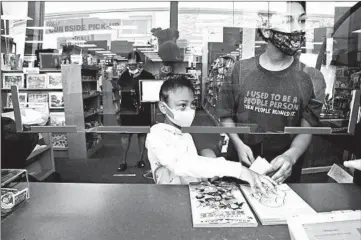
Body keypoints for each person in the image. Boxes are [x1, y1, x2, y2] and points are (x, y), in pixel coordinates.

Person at [216, 1, 323, 184]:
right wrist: (238, 144)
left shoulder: (313, 78)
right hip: (242, 167)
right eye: (288, 20)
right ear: (266, 30)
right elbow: (226, 115)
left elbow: (306, 129)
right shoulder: (240, 70)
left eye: (302, 20)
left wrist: (290, 157)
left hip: (282, 174)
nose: (297, 28)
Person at [145, 75, 277, 194]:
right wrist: (239, 171)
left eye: (192, 105)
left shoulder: (184, 134)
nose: (190, 110)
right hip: (169, 198)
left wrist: (207, 174)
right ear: (163, 107)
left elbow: (192, 168)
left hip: (186, 195)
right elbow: (181, 164)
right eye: (182, 105)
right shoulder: (157, 134)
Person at [116, 51, 155, 172]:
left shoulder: (148, 76)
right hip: (126, 110)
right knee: (125, 135)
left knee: (142, 134)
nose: (131, 66)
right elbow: (118, 94)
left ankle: (141, 159)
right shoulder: (123, 77)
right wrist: (117, 110)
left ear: (139, 63)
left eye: (134, 64)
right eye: (129, 64)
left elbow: (153, 95)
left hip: (143, 110)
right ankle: (123, 161)